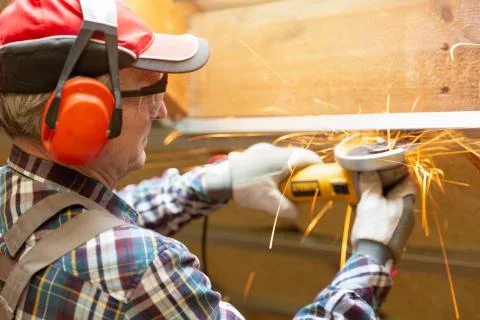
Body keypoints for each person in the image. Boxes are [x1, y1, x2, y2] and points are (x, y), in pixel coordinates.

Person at [0, 0, 417, 319]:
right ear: (84, 116)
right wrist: (371, 259)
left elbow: (77, 227)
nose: (162, 111)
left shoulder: (11, 191)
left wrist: (216, 180)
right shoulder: (146, 269)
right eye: (151, 86)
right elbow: (117, 253)